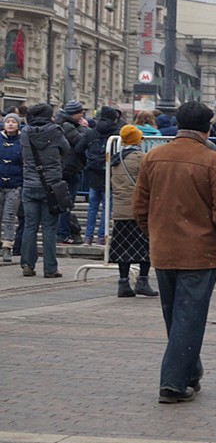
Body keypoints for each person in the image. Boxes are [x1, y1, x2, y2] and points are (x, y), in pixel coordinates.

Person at [133, 101, 216, 403]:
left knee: (174, 316)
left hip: (164, 249)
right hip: (200, 252)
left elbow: (140, 206)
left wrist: (155, 233)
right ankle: (173, 383)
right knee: (189, 318)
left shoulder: (153, 157)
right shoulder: (213, 161)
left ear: (178, 125)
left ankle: (190, 372)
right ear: (207, 129)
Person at [20, 103, 70, 278]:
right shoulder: (56, 131)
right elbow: (67, 149)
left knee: (30, 226)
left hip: (29, 185)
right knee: (49, 228)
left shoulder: (25, 132)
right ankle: (50, 268)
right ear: (49, 115)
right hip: (51, 186)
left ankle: (27, 264)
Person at [109, 125, 157, 298]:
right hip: (139, 210)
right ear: (138, 139)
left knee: (123, 248)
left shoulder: (115, 159)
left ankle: (123, 283)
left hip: (120, 210)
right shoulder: (142, 158)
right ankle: (142, 281)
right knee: (145, 248)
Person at [76, 106, 119, 245]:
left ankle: (88, 237)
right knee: (107, 207)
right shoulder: (117, 133)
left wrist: (86, 162)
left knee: (92, 206)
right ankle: (102, 237)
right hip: (110, 172)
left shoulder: (91, 132)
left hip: (93, 172)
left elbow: (78, 149)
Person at [55, 100, 86, 245]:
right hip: (69, 169)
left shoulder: (62, 123)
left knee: (61, 203)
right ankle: (63, 234)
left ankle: (60, 233)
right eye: (80, 112)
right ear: (74, 113)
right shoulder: (68, 126)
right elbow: (81, 142)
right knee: (66, 204)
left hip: (62, 168)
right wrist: (84, 128)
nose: (82, 115)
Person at [0, 113, 23, 262]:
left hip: (14, 185)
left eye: (13, 122)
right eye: (7, 121)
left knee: (9, 217)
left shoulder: (22, 141)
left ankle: (7, 247)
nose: (10, 124)